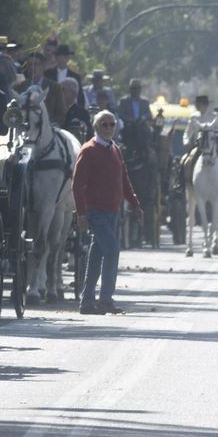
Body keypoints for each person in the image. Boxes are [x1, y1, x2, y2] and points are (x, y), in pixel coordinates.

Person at [74, 110, 141, 315]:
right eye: (105, 124)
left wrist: (135, 203)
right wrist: (81, 213)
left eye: (112, 124)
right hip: (96, 212)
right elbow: (77, 185)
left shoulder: (116, 150)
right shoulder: (88, 150)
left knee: (97, 255)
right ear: (96, 127)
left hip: (113, 211)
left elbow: (124, 180)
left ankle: (86, 302)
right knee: (112, 250)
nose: (109, 128)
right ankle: (105, 300)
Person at [183, 94, 218, 191]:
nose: (197, 106)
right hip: (198, 145)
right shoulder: (193, 117)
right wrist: (186, 141)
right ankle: (181, 183)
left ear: (205, 105)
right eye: (197, 104)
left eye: (199, 104)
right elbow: (188, 132)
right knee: (185, 161)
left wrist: (211, 133)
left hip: (213, 144)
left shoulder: (214, 116)